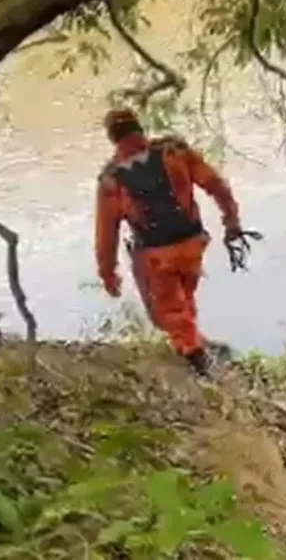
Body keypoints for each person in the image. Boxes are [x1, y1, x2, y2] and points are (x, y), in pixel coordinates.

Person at [93, 108, 243, 377]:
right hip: (193, 245)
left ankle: (197, 358)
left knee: (167, 310)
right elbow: (215, 184)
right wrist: (231, 218)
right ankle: (196, 340)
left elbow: (107, 234)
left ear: (113, 138)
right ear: (139, 127)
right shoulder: (175, 151)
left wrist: (108, 273)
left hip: (156, 255)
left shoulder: (111, 180)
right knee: (184, 297)